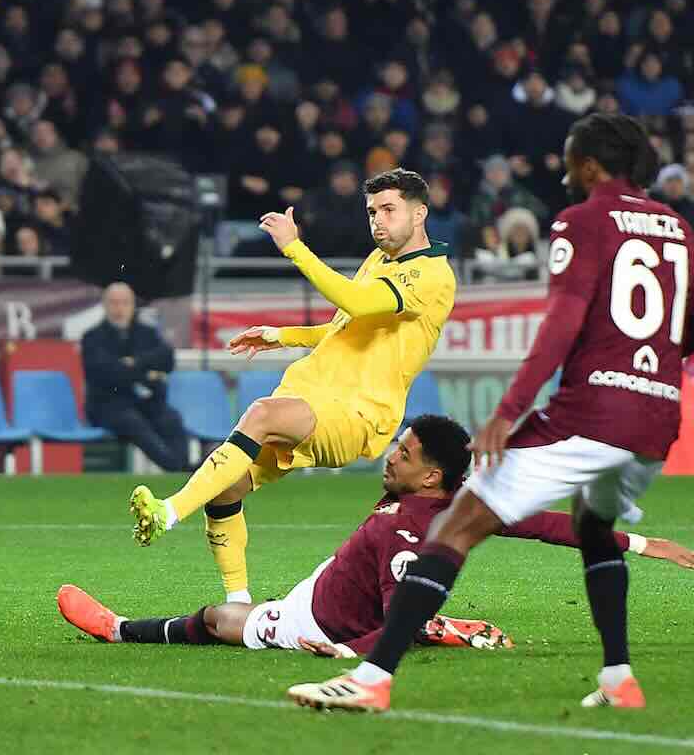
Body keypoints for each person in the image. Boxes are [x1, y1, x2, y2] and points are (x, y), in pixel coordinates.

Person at [287, 113, 694, 713]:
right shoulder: (679, 228)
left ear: (587, 165)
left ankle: (369, 680)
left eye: (568, 159)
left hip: (592, 413)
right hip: (657, 418)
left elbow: (560, 328)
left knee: (455, 522)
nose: (563, 170)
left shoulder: (580, 221)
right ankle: (617, 678)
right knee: (592, 526)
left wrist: (508, 412)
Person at [61, 416, 694, 653]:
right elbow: (547, 525)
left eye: (406, 452)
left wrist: (345, 656)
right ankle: (441, 628)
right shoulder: (464, 505)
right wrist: (641, 545)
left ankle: (118, 630)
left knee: (224, 618)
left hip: (315, 623)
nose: (392, 456)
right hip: (328, 586)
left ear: (431, 477)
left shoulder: (405, 534)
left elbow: (392, 622)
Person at [129, 169, 455, 608]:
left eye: (389, 209)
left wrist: (294, 248)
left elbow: (354, 301)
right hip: (316, 393)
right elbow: (346, 327)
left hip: (359, 413)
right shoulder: (381, 261)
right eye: (372, 211)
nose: (378, 220)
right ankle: (239, 601)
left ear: (420, 213)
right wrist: (281, 335)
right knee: (225, 491)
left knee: (261, 413)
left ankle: (167, 512)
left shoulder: (432, 276)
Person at [82, 283, 189, 473]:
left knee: (171, 418)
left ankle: (183, 464)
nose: (119, 308)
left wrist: (135, 362)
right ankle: (176, 468)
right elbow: (105, 372)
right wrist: (145, 373)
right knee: (133, 422)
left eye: (124, 303)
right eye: (114, 303)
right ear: (105, 306)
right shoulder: (92, 337)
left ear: (133, 305)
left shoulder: (145, 333)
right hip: (107, 406)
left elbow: (167, 358)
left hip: (145, 403)